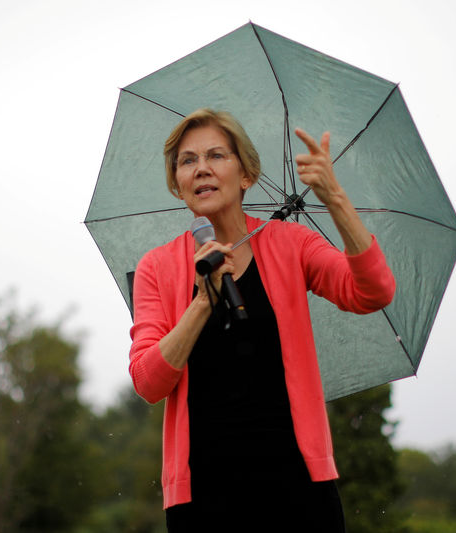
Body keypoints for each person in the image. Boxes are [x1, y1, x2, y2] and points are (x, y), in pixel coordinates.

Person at [128, 108, 395, 532]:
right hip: (204, 497)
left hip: (298, 488)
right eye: (187, 160)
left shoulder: (292, 245)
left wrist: (336, 200)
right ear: (177, 183)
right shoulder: (156, 268)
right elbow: (148, 381)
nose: (201, 169)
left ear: (246, 174)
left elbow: (372, 292)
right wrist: (202, 302)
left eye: (216, 156)